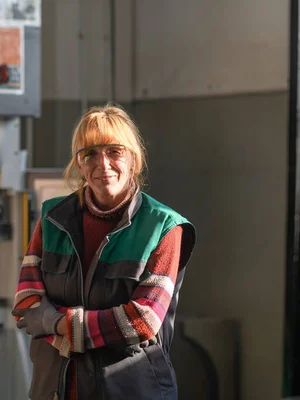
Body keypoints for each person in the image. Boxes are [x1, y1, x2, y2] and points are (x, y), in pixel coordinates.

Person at [12, 104, 196, 400]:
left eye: (114, 151)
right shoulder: (52, 218)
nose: (103, 164)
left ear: (134, 159)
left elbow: (142, 320)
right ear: (79, 164)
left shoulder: (164, 227)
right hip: (55, 390)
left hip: (130, 392)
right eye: (90, 154)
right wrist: (79, 326)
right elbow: (25, 302)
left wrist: (59, 325)